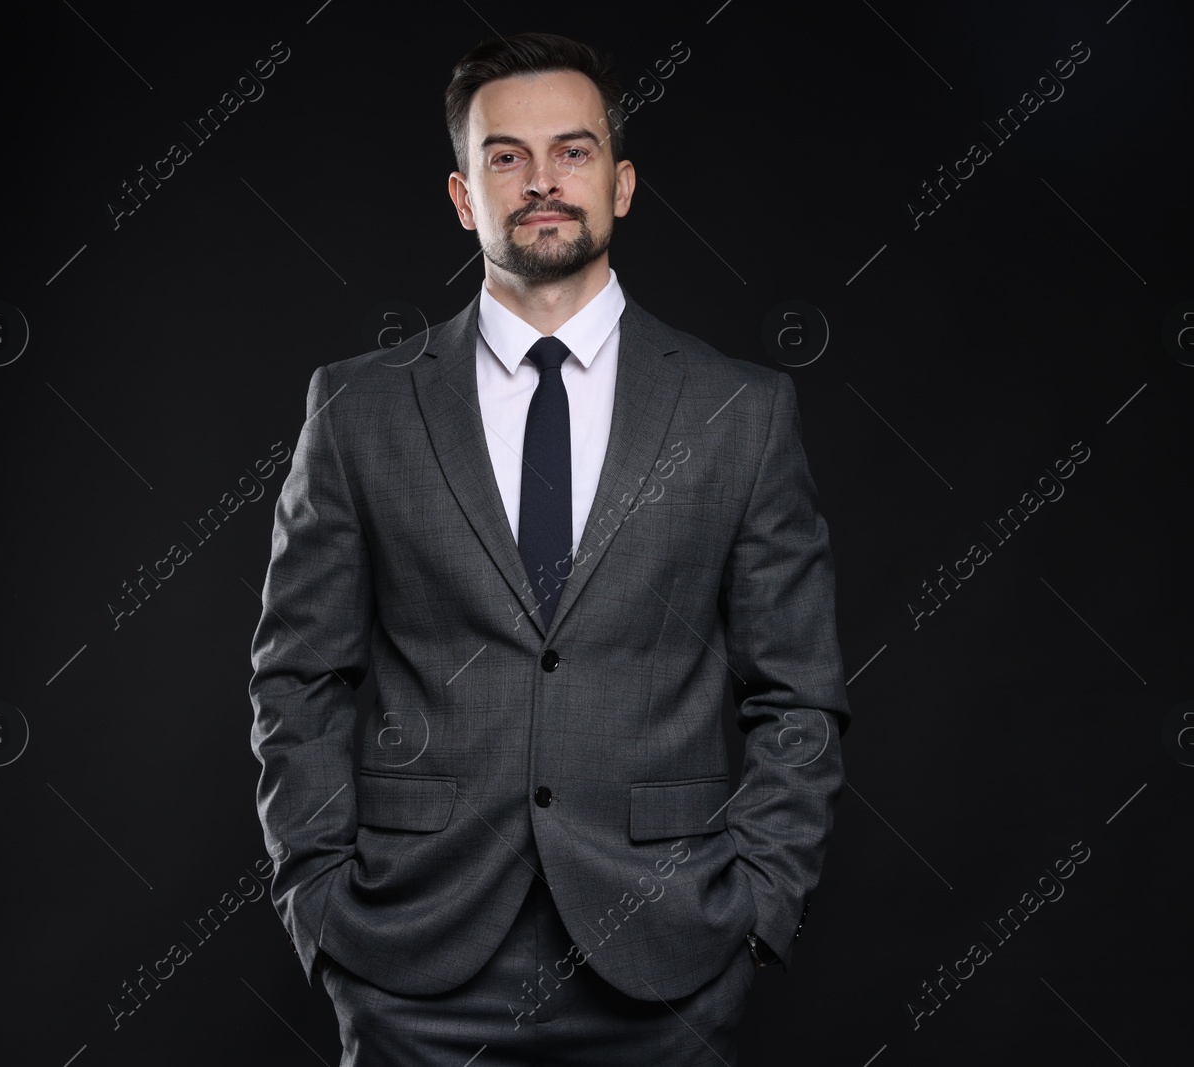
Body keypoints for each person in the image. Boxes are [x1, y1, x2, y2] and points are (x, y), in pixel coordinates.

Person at [249, 29, 851, 1065]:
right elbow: (297, 676)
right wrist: (321, 907)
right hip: (413, 959)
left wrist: (755, 906)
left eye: (571, 152)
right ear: (460, 194)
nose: (541, 181)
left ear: (621, 185)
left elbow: (797, 692)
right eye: (505, 156)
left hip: (666, 960)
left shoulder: (739, 410)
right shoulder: (355, 410)